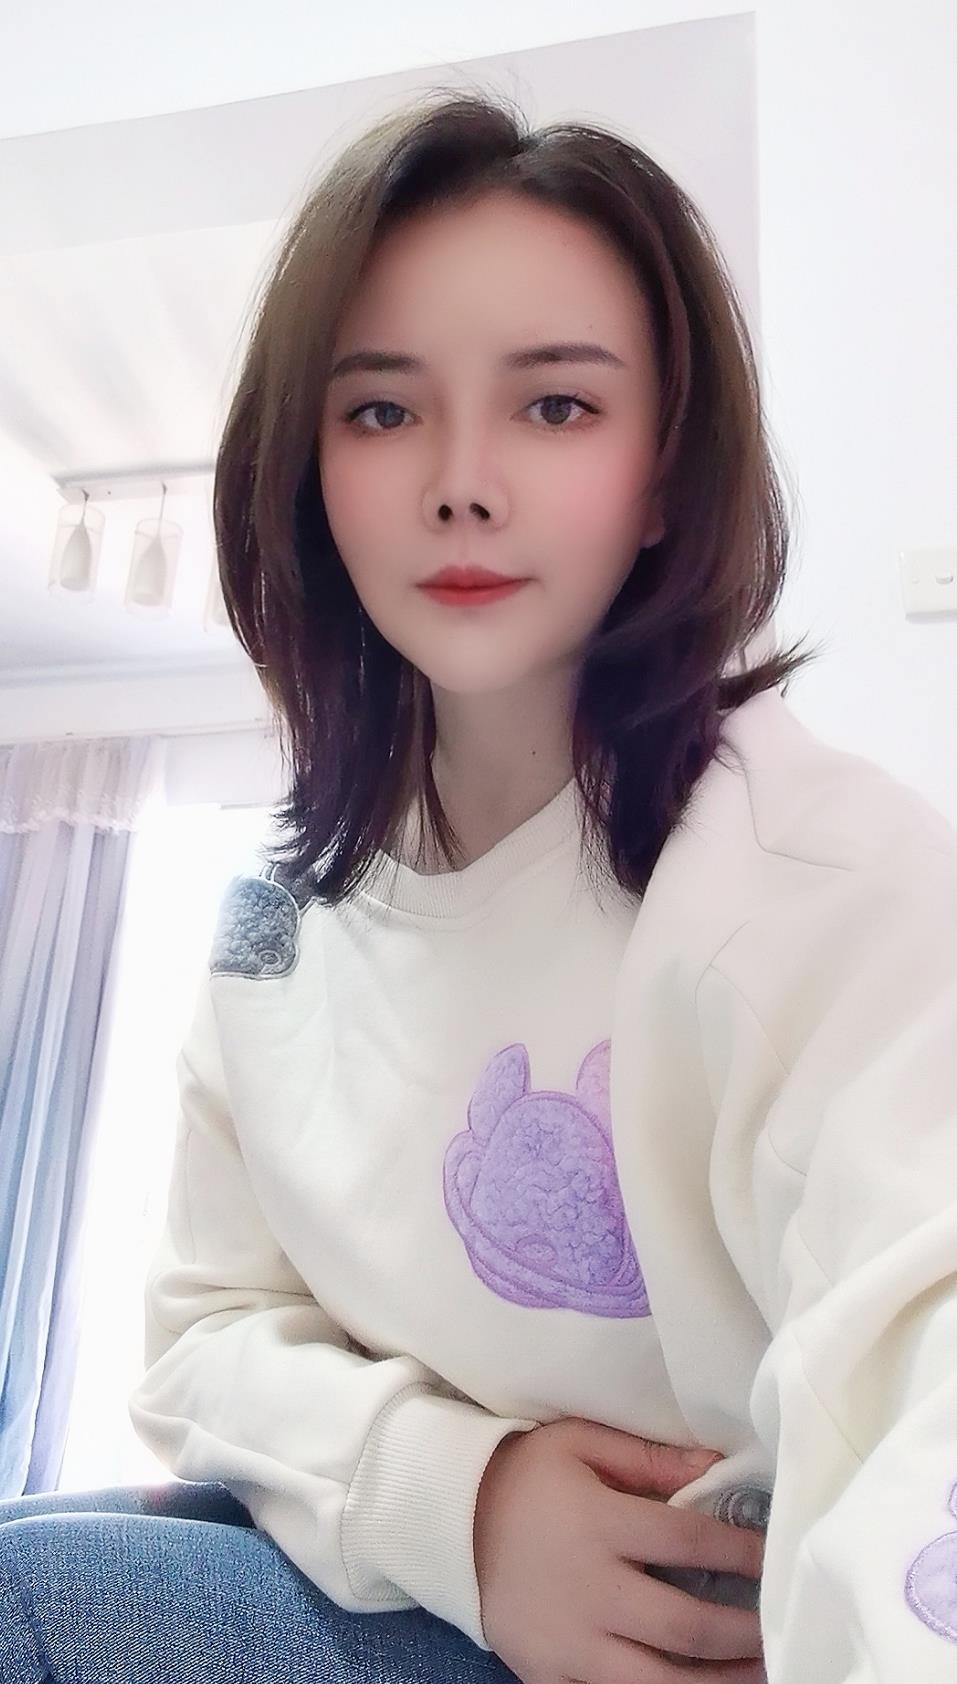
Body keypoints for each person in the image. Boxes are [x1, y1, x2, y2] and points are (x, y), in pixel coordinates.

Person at [3, 86, 956, 1684]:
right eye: (381, 412)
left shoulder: (818, 883)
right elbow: (200, 1340)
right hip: (441, 1594)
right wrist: (464, 1501)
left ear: (666, 471)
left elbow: (924, 1390)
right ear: (307, 469)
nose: (460, 482)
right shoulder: (274, 930)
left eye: (556, 407)